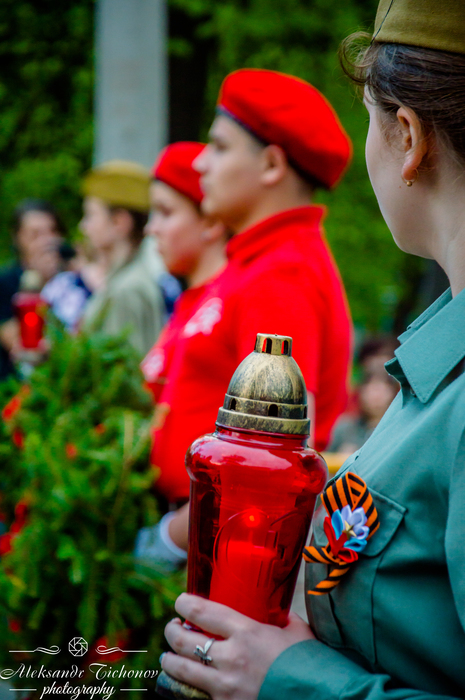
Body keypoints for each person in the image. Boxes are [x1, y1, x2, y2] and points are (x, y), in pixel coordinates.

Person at [159, 1, 465, 699]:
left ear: (408, 136)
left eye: (370, 119)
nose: (201, 163)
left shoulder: (283, 273)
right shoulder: (437, 354)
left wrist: (291, 679)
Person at [145, 70, 353, 558]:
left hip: (218, 544)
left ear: (271, 165)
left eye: (219, 147)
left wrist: (168, 541)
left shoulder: (282, 273)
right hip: (203, 530)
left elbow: (267, 467)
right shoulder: (257, 263)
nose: (200, 161)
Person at [135, 142, 228, 566]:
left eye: (166, 212)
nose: (151, 229)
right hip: (177, 519)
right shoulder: (188, 302)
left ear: (210, 221)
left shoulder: (231, 296)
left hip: (202, 533)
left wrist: (173, 537)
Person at [80, 160, 165, 356]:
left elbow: (122, 369)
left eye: (90, 215)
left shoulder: (128, 289)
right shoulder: (125, 279)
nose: (83, 226)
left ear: (119, 222)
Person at [0, 199, 65, 379]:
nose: (47, 241)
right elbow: (17, 342)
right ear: (18, 238)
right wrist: (37, 281)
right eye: (35, 234)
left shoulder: (73, 278)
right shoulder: (5, 282)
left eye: (52, 231)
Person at [328, 335, 399, 453]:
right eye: (372, 388)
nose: (377, 395)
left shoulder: (400, 430)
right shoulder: (345, 427)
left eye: (382, 388)